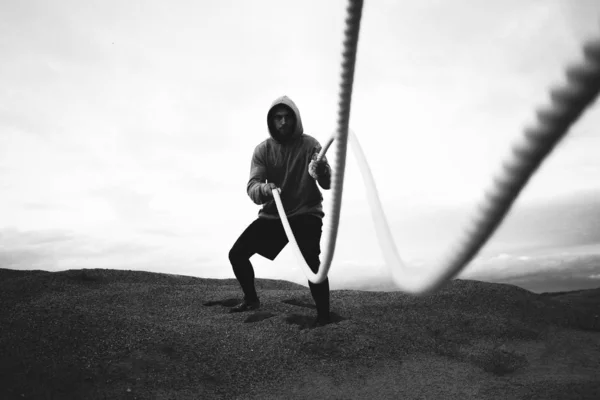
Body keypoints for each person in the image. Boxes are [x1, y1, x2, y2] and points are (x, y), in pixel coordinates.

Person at [228, 95, 332, 327]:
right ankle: (251, 300)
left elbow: (327, 183)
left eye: (287, 117)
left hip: (306, 213)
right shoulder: (263, 150)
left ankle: (324, 316)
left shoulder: (311, 145)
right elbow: (252, 187)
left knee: (311, 263)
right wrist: (265, 188)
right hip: (275, 215)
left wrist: (322, 171)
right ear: (271, 121)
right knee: (236, 254)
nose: (283, 122)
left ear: (295, 119)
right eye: (278, 118)